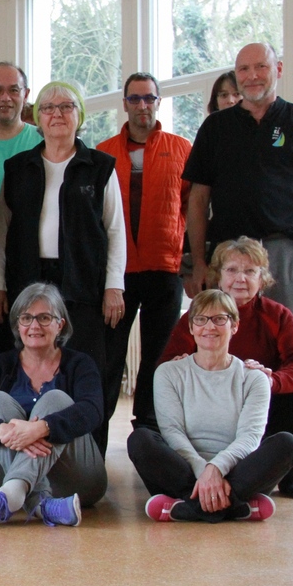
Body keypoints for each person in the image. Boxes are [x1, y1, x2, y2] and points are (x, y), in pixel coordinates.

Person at [0, 80, 126, 453]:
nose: (57, 114)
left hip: (84, 283)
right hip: (28, 282)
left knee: (86, 369)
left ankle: (89, 457)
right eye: (48, 108)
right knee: (30, 367)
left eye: (66, 106)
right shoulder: (18, 168)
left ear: (79, 115)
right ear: (37, 118)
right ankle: (22, 450)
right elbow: (2, 231)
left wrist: (115, 285)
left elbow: (115, 231)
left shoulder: (99, 168)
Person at [185, 43, 293, 345]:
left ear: (278, 69)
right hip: (226, 254)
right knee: (225, 343)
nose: (252, 75)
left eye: (261, 67)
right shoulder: (214, 128)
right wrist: (200, 262)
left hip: (284, 253)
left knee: (292, 342)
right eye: (244, 69)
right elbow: (198, 199)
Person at [159, 237, 293, 499]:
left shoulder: (277, 315)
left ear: (262, 278)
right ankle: (205, 481)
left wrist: (273, 381)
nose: (240, 279)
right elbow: (168, 363)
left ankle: (290, 474)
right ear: (218, 276)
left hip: (258, 410)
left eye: (250, 271)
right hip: (208, 411)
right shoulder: (195, 317)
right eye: (232, 270)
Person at [128, 289, 293, 523]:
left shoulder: (253, 377)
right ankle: (237, 506)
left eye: (220, 319)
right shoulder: (168, 372)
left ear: (234, 326)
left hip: (237, 468)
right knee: (140, 440)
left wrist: (217, 469)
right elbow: (172, 431)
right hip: (186, 468)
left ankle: (186, 507)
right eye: (200, 319)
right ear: (191, 328)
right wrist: (204, 471)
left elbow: (250, 437)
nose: (209, 327)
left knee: (287, 443)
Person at [0, 283, 107, 528]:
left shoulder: (80, 364)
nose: (34, 326)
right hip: (1, 474)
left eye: (44, 317)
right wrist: (1, 430)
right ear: (17, 325)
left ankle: (12, 495)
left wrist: (42, 428)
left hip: (75, 480)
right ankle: (38, 502)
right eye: (26, 318)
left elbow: (93, 410)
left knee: (55, 399)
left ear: (61, 325)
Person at [96, 72, 191, 432]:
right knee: (109, 356)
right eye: (134, 99)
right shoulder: (103, 153)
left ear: (158, 102)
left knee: (159, 357)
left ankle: (150, 430)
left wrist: (193, 263)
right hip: (116, 274)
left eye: (149, 98)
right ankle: (96, 430)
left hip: (165, 269)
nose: (142, 106)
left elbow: (193, 209)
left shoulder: (182, 149)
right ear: (125, 104)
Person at [0, 62, 45, 358]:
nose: (5, 98)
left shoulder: (43, 144)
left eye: (14, 90)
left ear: (25, 94)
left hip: (37, 269)